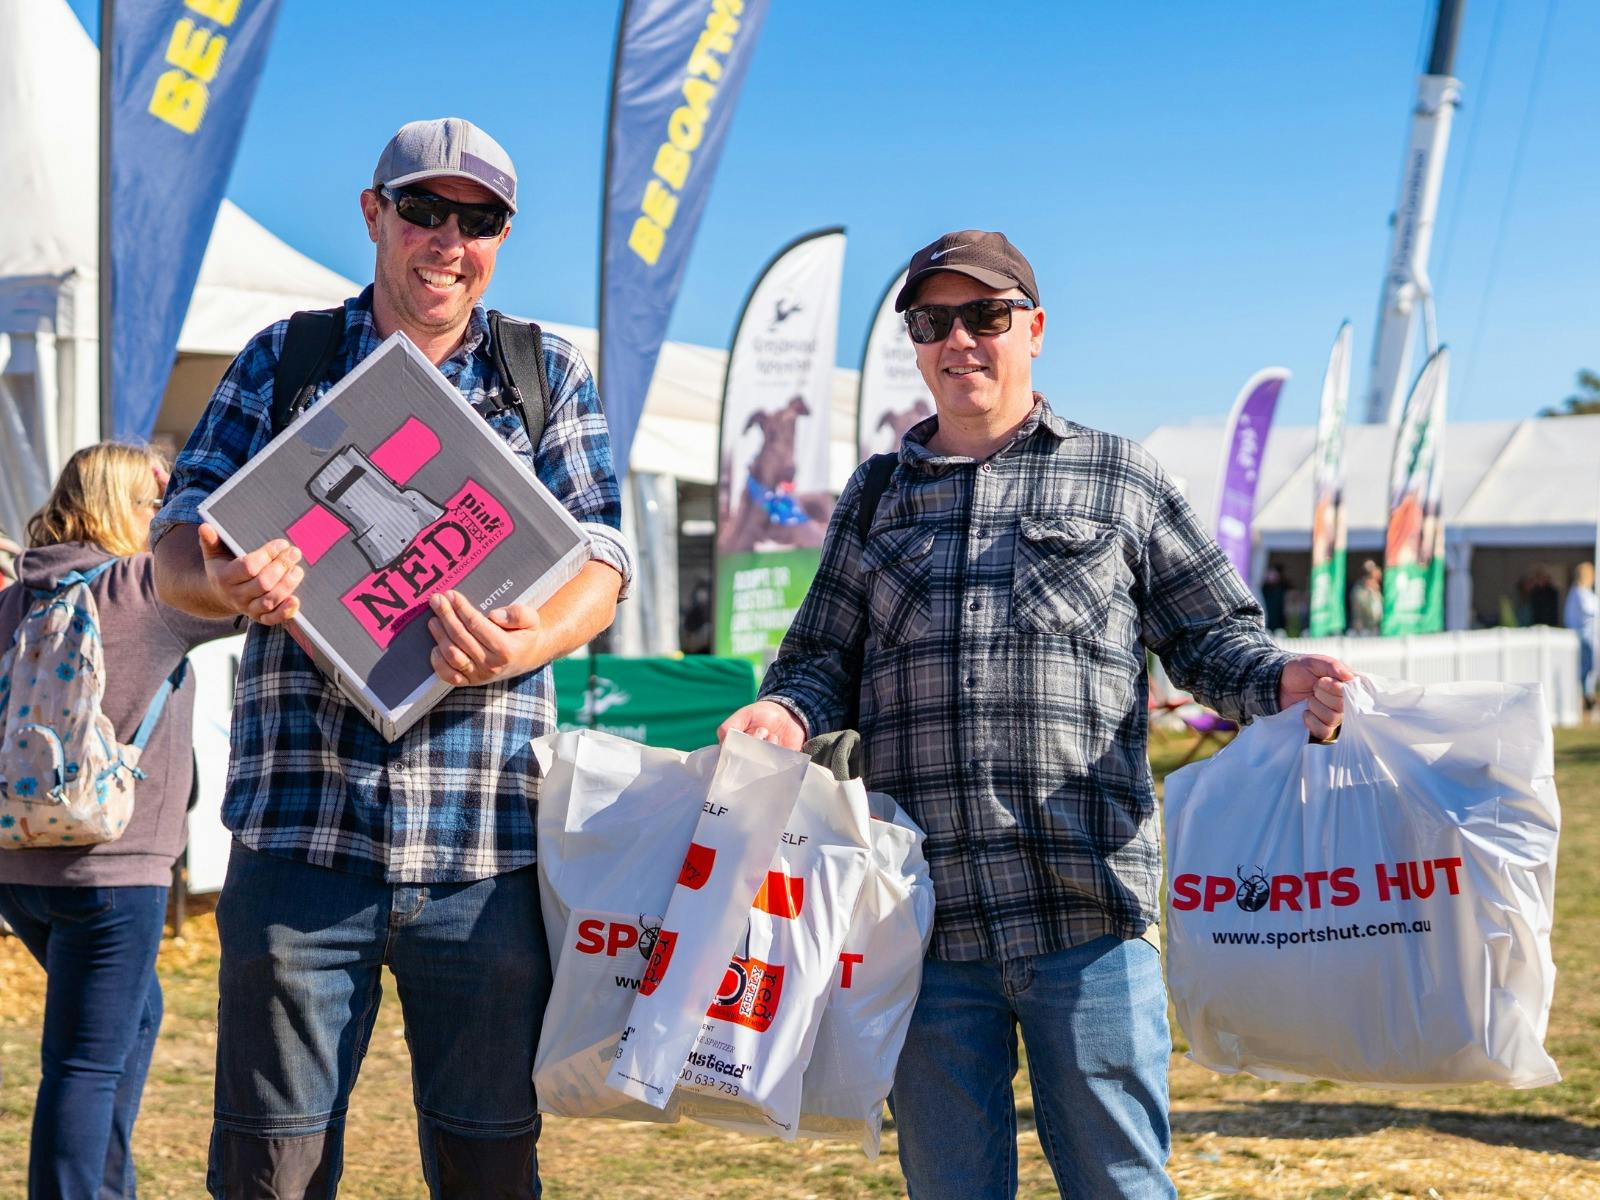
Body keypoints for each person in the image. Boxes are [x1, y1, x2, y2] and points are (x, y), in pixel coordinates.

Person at [719, 230, 1352, 1200]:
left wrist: (1283, 682)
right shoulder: (874, 497)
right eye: (933, 321)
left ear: (1035, 329)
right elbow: (818, 663)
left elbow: (1211, 638)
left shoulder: (1118, 477)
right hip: (922, 928)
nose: (960, 340)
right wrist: (783, 717)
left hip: (1084, 911)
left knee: (1121, 1186)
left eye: (986, 315)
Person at [150, 118, 632, 1199]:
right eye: (424, 210)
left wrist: (527, 640)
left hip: (486, 854)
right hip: (301, 841)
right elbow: (179, 540)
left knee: (488, 1162)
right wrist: (221, 583)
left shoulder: (543, 370)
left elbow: (603, 558)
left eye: (479, 221)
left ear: (501, 237)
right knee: (270, 1170)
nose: (448, 241)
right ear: (375, 215)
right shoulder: (290, 357)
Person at [0, 443, 236, 1199]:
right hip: (114, 867)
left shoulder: (20, 594)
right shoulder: (147, 587)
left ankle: (106, 1187)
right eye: (156, 507)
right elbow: (250, 580)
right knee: (83, 1063)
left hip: (18, 860)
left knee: (132, 1019)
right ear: (125, 509)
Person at [1565, 562, 1597, 711]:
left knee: (1588, 667)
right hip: (1583, 634)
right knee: (1585, 667)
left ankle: (1587, 695)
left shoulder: (1581, 591)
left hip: (1587, 634)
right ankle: (1585, 697)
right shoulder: (1579, 592)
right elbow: (1589, 610)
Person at [1350, 558, 1384, 635]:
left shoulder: (1378, 589)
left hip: (1378, 629)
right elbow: (1359, 611)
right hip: (1365, 630)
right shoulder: (1359, 590)